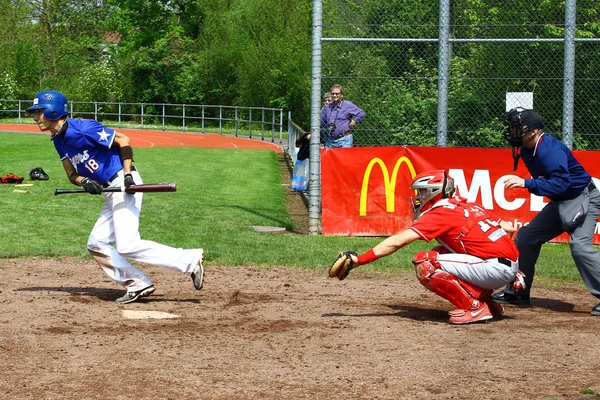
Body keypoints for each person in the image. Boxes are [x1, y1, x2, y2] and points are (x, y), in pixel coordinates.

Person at [27, 90, 205, 304]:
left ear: (52, 111)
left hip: (123, 182)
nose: (35, 117)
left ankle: (189, 260)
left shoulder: (83, 128)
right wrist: (84, 181)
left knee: (127, 244)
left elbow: (122, 139)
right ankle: (137, 283)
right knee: (96, 243)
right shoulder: (58, 140)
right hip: (109, 190)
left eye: (38, 112)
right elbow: (71, 174)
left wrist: (128, 174)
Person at [333, 170, 519, 325]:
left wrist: (360, 260)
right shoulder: (465, 204)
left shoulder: (439, 213)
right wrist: (514, 269)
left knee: (426, 262)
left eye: (421, 192)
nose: (418, 197)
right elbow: (508, 229)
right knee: (440, 252)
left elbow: (398, 241)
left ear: (433, 192)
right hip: (505, 265)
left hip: (495, 268)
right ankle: (489, 303)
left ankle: (474, 308)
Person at [493, 108, 600, 316]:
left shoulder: (550, 150)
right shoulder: (526, 148)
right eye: (513, 128)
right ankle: (518, 290)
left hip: (583, 197)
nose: (513, 133)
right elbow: (554, 187)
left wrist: (526, 183)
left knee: (579, 246)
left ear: (533, 132)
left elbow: (560, 184)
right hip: (562, 200)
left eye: (518, 129)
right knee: (526, 237)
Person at [320, 84, 365, 148]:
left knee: (345, 158)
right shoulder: (328, 107)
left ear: (341, 95)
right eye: (332, 94)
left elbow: (361, 113)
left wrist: (355, 121)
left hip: (344, 140)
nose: (334, 95)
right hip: (330, 141)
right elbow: (320, 122)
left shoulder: (347, 105)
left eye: (337, 94)